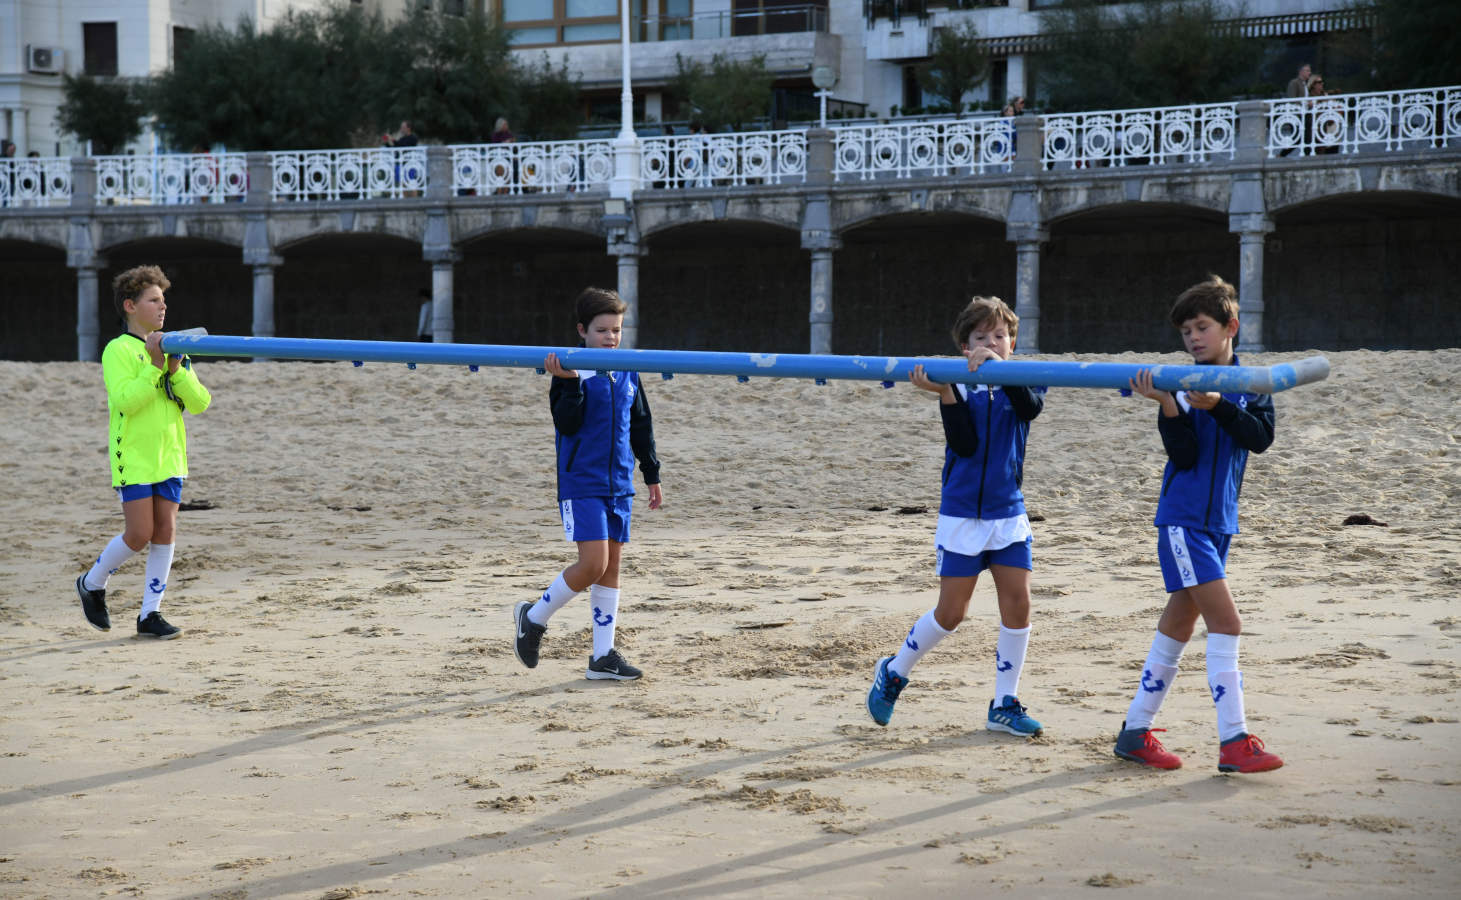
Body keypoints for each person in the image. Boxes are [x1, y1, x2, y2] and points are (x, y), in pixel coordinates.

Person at [1112, 275, 1283, 774]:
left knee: (1180, 622)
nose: (1193, 337)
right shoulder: (1180, 386)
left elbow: (1260, 438)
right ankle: (1234, 741)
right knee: (1226, 623)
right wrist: (1170, 406)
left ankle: (1135, 732)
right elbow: (1183, 455)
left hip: (1220, 523)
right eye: (1186, 331)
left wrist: (1222, 405)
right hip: (1183, 521)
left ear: (1230, 326)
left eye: (1202, 326)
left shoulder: (1251, 384)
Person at [866, 296, 1046, 736]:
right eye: (980, 338)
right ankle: (894, 671)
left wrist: (1001, 372)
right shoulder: (956, 383)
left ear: (1013, 342)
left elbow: (1029, 410)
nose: (991, 344)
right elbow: (964, 445)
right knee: (951, 613)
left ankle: (1005, 702)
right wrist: (947, 392)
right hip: (963, 515)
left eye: (999, 336)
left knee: (1019, 604)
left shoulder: (1029, 378)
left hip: (1008, 512)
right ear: (964, 348)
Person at [514, 287, 663, 681]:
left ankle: (602, 657)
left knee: (611, 568)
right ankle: (534, 616)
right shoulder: (568, 369)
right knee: (592, 564)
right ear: (582, 330)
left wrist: (651, 473)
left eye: (616, 330)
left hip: (619, 481)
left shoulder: (627, 367)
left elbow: (641, 424)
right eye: (602, 330)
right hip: (582, 481)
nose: (611, 338)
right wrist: (572, 382)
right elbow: (567, 423)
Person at [75, 265, 212, 640]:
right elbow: (126, 401)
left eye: (164, 300)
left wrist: (176, 369)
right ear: (131, 306)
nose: (162, 307)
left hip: (170, 455)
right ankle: (91, 582)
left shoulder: (174, 350)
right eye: (154, 300)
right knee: (139, 533)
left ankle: (150, 614)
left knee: (165, 531)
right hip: (133, 455)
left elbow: (200, 403)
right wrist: (153, 367)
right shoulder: (117, 350)